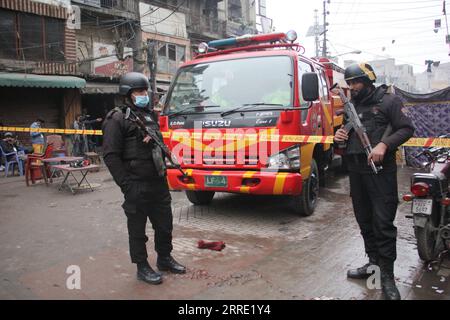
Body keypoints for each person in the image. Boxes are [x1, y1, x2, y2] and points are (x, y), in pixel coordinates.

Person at [334, 63, 414, 300]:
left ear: (368, 81)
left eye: (356, 82)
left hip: (381, 172)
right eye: (349, 83)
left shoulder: (389, 101)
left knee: (383, 224)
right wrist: (339, 137)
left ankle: (387, 277)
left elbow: (407, 128)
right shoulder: (352, 106)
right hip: (356, 172)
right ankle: (373, 266)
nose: (352, 87)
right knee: (365, 221)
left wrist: (384, 144)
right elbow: (344, 140)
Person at [102, 72, 186, 285]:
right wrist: (126, 185)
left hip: (158, 182)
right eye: (138, 91)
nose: (143, 95)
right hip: (135, 184)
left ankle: (164, 258)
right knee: (138, 230)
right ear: (128, 94)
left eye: (144, 91)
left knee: (165, 225)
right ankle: (142, 266)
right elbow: (111, 156)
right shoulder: (117, 118)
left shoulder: (149, 117)